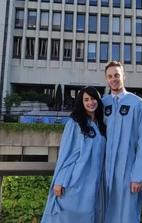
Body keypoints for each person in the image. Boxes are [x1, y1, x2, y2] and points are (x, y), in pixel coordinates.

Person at [41, 86, 106, 223]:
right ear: (81, 103)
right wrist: (59, 181)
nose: (90, 102)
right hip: (76, 180)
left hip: (95, 183)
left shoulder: (101, 125)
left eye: (93, 98)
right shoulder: (74, 123)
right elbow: (66, 154)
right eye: (86, 100)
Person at [102, 61, 142, 223]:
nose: (114, 79)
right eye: (110, 76)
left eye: (117, 75)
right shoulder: (102, 104)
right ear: (106, 79)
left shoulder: (138, 104)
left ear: (123, 76)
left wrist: (138, 176)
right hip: (104, 173)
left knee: (127, 216)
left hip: (128, 174)